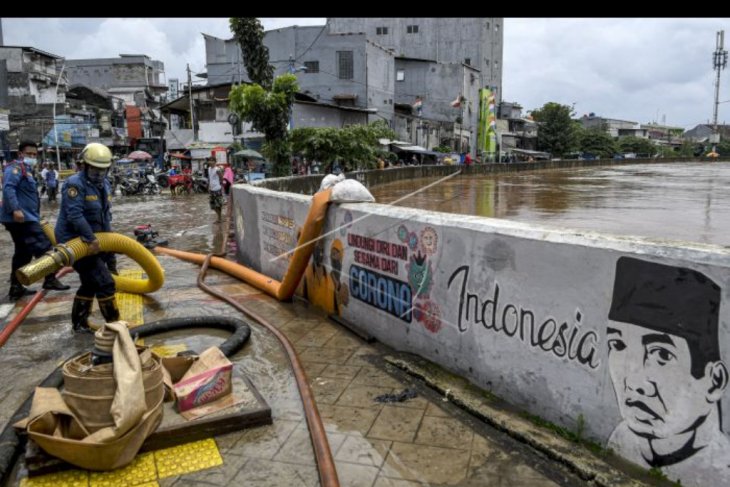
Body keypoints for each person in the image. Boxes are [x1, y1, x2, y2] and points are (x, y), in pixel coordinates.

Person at [606, 257, 730, 486]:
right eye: (618, 345)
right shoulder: (621, 437)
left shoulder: (721, 467)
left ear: (714, 381)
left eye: (661, 355)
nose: (633, 382)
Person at [55, 143, 118, 333]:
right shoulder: (75, 184)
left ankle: (79, 324)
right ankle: (116, 329)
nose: (98, 173)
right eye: (94, 169)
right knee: (106, 283)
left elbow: (105, 217)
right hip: (77, 242)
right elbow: (75, 216)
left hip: (97, 241)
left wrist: (110, 250)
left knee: (90, 283)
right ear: (84, 165)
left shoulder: (104, 185)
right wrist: (91, 239)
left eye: (102, 170)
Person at [1, 141, 70, 300]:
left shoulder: (27, 170)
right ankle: (50, 279)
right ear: (20, 154)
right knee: (45, 246)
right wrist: (16, 209)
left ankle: (16, 286)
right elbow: (8, 188)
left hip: (26, 217)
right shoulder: (15, 168)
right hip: (21, 218)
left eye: (34, 154)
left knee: (23, 253)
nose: (32, 157)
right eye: (29, 154)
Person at [207, 158, 224, 222]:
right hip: (211, 189)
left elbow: (221, 178)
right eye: (209, 160)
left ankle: (219, 218)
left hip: (217, 189)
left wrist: (220, 185)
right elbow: (210, 178)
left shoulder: (217, 169)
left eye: (211, 160)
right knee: (213, 205)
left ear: (215, 162)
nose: (210, 162)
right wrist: (209, 186)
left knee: (218, 204)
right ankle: (219, 217)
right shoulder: (209, 169)